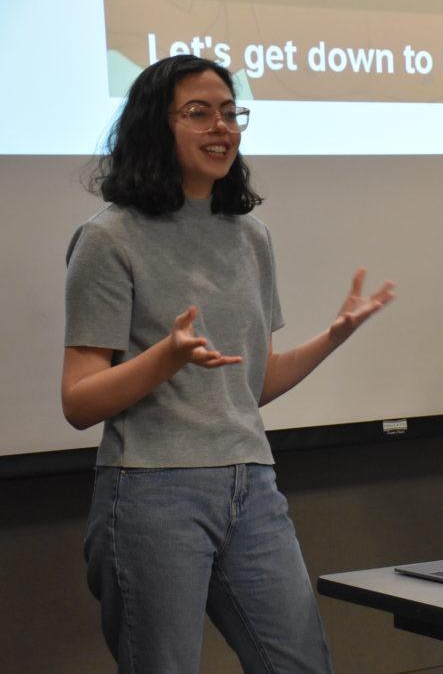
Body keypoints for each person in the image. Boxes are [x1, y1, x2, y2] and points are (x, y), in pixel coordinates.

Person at [63, 55, 395, 673]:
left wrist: (333, 337)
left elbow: (254, 383)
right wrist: (166, 356)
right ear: (153, 127)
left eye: (229, 112)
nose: (222, 127)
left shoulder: (250, 235)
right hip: (152, 490)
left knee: (300, 664)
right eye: (198, 113)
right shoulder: (109, 238)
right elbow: (79, 401)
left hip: (252, 483)